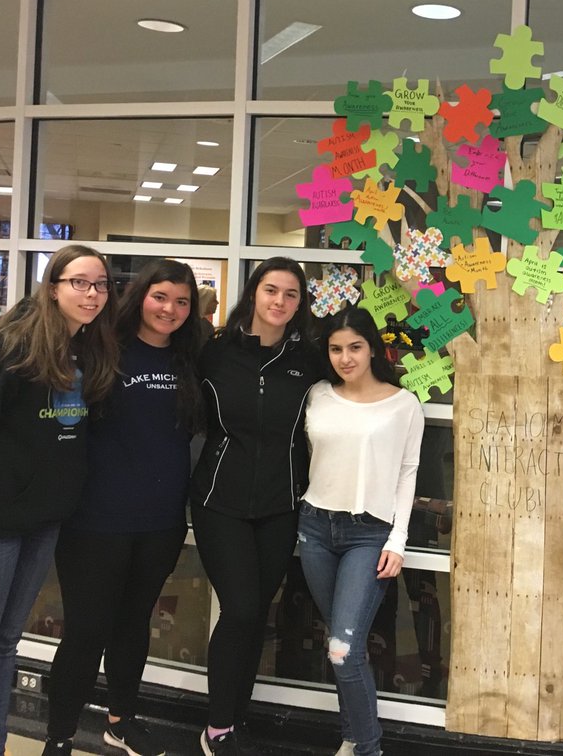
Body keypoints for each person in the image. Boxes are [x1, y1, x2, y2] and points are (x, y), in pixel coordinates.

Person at [0, 244, 119, 756]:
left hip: (43, 523)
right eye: (79, 282)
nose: (91, 294)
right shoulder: (9, 349)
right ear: (54, 285)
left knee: (5, 644)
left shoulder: (88, 349)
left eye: (100, 284)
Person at [42, 260, 203, 756]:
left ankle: (121, 720)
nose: (170, 309)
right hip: (94, 520)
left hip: (160, 521)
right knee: (87, 631)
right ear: (139, 297)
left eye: (181, 301)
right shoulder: (100, 349)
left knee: (134, 623)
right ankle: (60, 737)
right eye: (160, 297)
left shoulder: (190, 360)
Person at [192, 257, 323, 756]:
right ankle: (217, 728)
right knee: (242, 608)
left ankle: (233, 721)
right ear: (254, 293)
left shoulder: (308, 358)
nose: (280, 302)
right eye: (271, 290)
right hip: (217, 501)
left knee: (252, 615)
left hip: (281, 504)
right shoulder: (216, 352)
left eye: (291, 295)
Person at [299, 306, 422, 756]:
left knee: (343, 650)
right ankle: (352, 738)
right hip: (315, 528)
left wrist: (398, 540)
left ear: (372, 348)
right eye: (335, 349)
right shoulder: (316, 394)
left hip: (368, 535)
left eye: (354, 347)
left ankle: (368, 748)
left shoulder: (403, 403)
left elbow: (408, 473)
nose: (345, 358)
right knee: (340, 642)